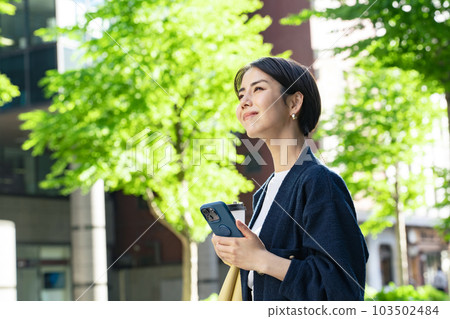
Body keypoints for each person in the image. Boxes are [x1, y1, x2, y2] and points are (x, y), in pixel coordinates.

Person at [211, 57, 369, 301]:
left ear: (294, 102)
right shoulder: (265, 192)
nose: (244, 102)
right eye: (241, 95)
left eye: (258, 89)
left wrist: (261, 260)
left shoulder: (319, 182)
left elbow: (344, 289)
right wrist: (240, 256)